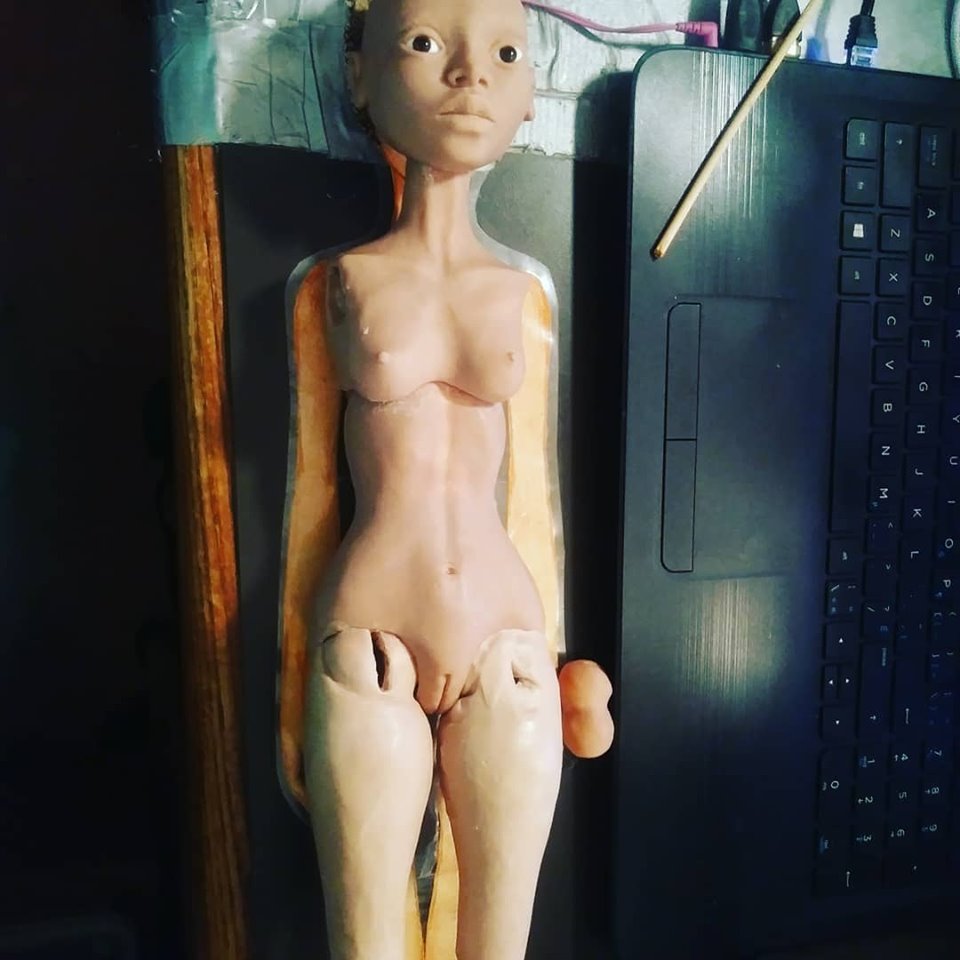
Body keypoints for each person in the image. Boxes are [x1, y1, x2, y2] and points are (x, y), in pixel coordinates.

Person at [291, 1, 611, 957]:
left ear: (530, 95)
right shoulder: (339, 283)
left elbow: (537, 492)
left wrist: (563, 659)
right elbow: (309, 492)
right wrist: (285, 687)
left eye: (506, 53)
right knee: (364, 940)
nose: (472, 75)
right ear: (360, 76)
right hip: (367, 638)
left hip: (507, 647)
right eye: (426, 44)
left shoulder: (525, 291)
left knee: (500, 940)